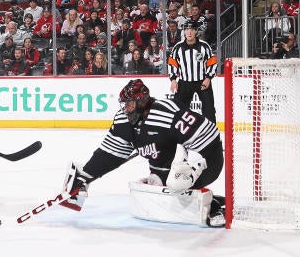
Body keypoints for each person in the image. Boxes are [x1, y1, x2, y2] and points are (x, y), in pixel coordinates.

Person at [60, 79, 225, 227]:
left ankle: (217, 206)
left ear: (142, 101)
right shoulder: (124, 120)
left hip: (208, 157)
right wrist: (85, 176)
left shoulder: (165, 112)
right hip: (167, 167)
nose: (126, 109)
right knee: (156, 187)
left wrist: (193, 166)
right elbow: (110, 152)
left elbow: (207, 133)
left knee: (177, 183)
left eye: (129, 104)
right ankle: (206, 198)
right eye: (124, 104)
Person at [168, 20, 218, 123]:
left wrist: (208, 78)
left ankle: (211, 134)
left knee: (209, 110)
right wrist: (173, 80)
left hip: (202, 82)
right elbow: (172, 64)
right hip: (184, 83)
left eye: (191, 30)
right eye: (187, 29)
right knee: (178, 110)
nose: (189, 32)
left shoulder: (204, 46)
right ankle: (178, 134)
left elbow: (212, 62)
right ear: (184, 31)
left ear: (196, 31)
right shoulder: (178, 47)